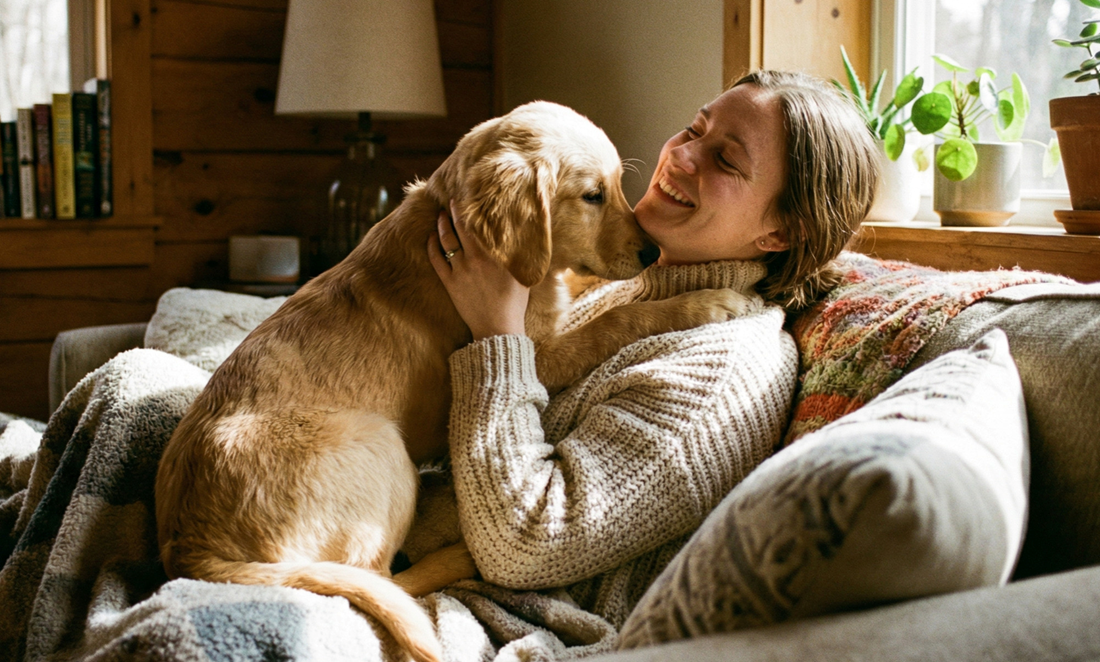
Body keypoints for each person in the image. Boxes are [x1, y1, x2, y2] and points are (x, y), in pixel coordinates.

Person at [425, 69, 880, 631]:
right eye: (694, 129)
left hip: (493, 619)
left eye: (725, 160)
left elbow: (522, 547)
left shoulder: (725, 372)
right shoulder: (619, 289)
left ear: (779, 234)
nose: (682, 156)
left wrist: (496, 335)